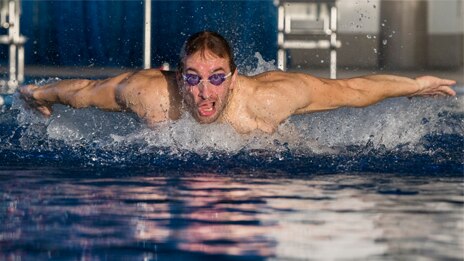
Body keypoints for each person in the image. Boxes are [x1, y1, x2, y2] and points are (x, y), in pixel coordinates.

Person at [20, 31, 456, 134]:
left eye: (215, 79)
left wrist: (416, 84)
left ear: (232, 76)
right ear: (178, 74)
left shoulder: (268, 99)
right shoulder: (151, 94)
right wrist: (37, 93)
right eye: (191, 79)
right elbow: (82, 93)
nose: (203, 92)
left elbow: (352, 92)